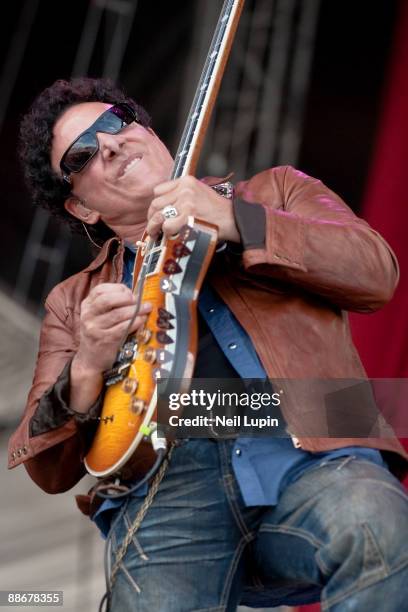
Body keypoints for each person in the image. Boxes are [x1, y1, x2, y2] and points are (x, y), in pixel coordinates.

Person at [8, 77, 408, 612]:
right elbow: (46, 468)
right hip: (168, 485)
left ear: (145, 130)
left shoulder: (277, 191)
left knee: (377, 522)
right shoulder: (73, 299)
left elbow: (375, 272)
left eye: (116, 121)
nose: (108, 144)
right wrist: (87, 367)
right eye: (82, 156)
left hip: (314, 443)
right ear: (81, 208)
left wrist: (236, 220)